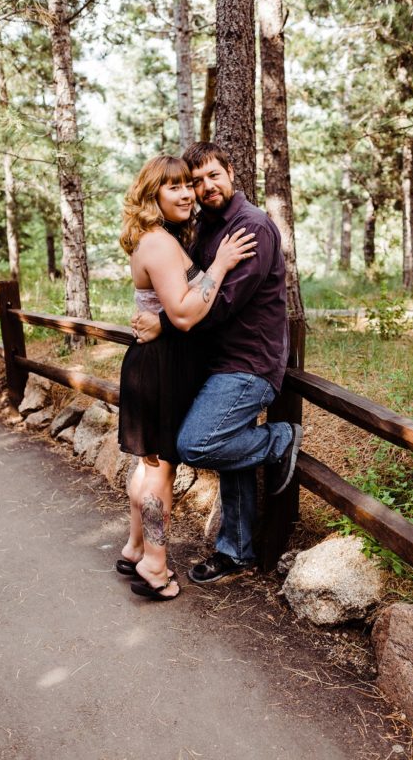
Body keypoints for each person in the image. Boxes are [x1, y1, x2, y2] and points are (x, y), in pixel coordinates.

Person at [132, 141, 303, 585]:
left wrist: (162, 323)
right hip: (193, 364)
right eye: (190, 182)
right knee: (173, 460)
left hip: (239, 362)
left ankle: (279, 441)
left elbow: (217, 304)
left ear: (231, 172)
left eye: (211, 176)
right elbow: (188, 297)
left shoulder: (249, 228)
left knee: (185, 450)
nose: (200, 189)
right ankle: (210, 552)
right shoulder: (191, 232)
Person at [116, 155, 257, 600]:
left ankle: (135, 546)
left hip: (154, 362)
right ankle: (156, 566)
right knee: (161, 470)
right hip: (159, 369)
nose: (185, 194)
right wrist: (220, 265)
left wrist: (159, 318)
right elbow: (183, 313)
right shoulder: (158, 242)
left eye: (187, 185)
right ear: (152, 195)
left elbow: (164, 310)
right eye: (172, 186)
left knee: (149, 465)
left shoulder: (159, 238)